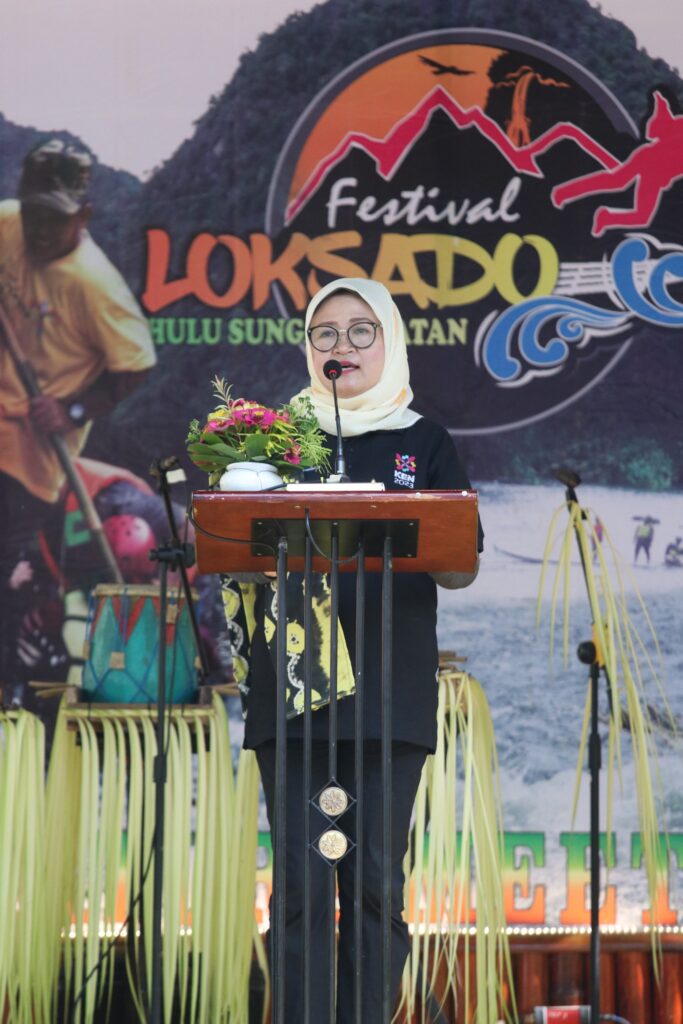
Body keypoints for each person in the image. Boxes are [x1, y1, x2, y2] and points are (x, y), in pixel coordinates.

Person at [226, 278, 482, 1021]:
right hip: (294, 693)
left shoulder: (425, 440)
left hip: (389, 693)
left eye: (360, 331)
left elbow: (460, 564)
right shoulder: (274, 442)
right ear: (309, 347)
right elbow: (235, 548)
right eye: (325, 333)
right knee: (299, 890)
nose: (342, 347)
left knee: (375, 887)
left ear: (389, 340)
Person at [0, 139, 157, 703]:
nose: (40, 230)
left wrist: (71, 409)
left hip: (32, 455)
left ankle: (12, 695)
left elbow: (135, 366)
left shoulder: (95, 286)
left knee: (8, 572)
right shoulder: (8, 223)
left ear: (83, 215)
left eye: (55, 218)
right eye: (34, 213)